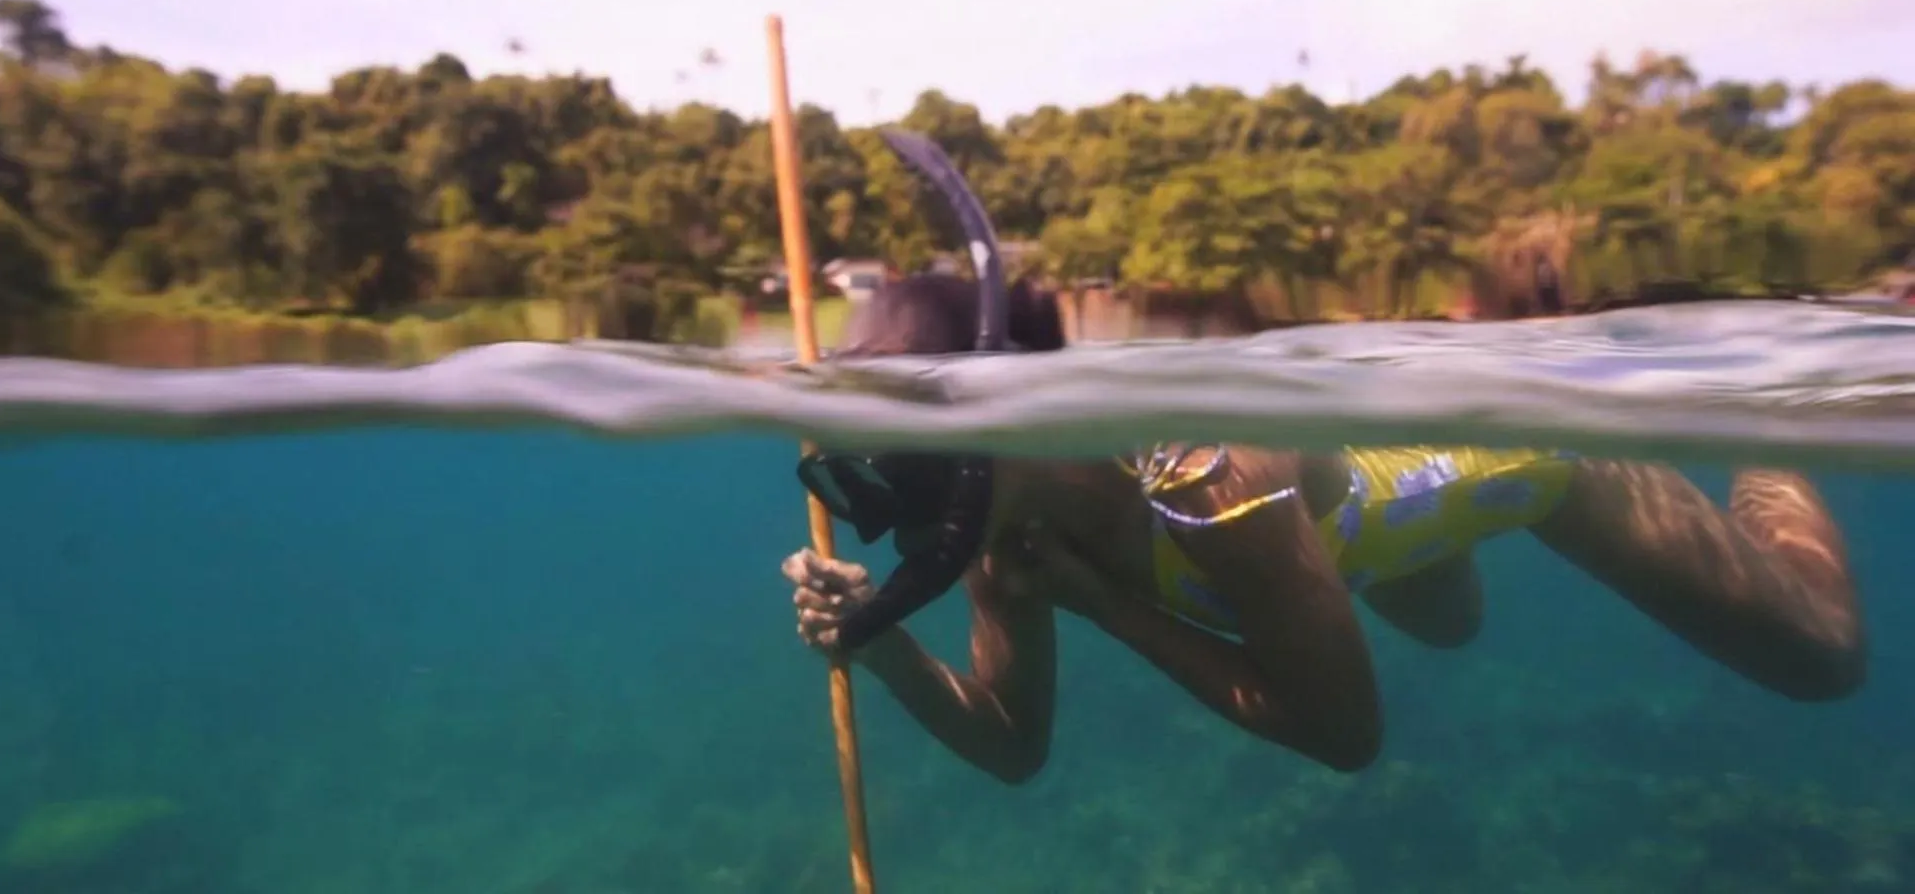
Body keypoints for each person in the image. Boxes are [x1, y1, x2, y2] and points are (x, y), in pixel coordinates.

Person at [780, 274, 1867, 782]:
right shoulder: (988, 521)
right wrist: (881, 649)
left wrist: (1109, 605)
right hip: (1366, 536)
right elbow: (1012, 744)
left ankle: (1763, 419)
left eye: (910, 465)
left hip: (1538, 456)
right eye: (874, 476)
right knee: (1445, 623)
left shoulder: (1199, 472)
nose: (909, 519)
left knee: (1819, 656)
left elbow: (1344, 737)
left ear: (1003, 414)